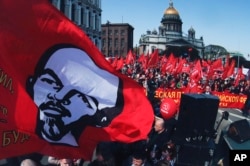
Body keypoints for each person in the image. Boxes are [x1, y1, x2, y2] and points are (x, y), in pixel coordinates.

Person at [26, 44, 124, 146]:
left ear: (91, 108)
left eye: (74, 93)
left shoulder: (90, 143)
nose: (58, 96)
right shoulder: (23, 133)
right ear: (32, 83)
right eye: (50, 83)